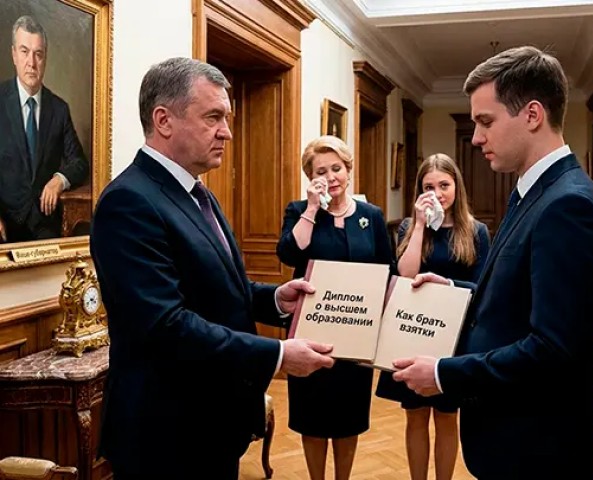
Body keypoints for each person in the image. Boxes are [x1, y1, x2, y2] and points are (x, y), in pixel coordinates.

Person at [90, 57, 335, 480]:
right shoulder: (128, 201)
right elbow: (166, 325)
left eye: (226, 118)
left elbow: (217, 287)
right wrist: (277, 355)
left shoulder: (197, 193)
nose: (227, 131)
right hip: (166, 436)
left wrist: (275, 300)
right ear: (164, 120)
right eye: (213, 117)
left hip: (212, 425)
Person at [392, 46, 593, 480]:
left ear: (532, 115)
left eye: (486, 121)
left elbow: (552, 351)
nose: (476, 138)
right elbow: (519, 297)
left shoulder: (569, 205)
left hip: (537, 452)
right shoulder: (531, 193)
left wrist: (443, 374)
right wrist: (455, 291)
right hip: (511, 442)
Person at [276, 135, 394, 480]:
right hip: (311, 330)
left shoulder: (371, 216)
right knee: (311, 415)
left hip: (356, 332)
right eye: (321, 171)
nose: (331, 177)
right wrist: (313, 209)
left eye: (336, 168)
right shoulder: (298, 211)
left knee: (348, 417)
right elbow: (289, 254)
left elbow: (387, 268)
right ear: (310, 177)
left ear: (349, 169)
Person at [376, 153, 490, 480]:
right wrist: (420, 226)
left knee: (446, 416)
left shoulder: (476, 231)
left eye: (444, 185)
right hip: (413, 332)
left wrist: (449, 285)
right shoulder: (409, 227)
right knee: (414, 416)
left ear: (457, 187)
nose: (437, 193)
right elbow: (405, 274)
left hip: (454, 335)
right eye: (429, 187)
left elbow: (483, 288)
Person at [0, 15, 89, 243]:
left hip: (45, 225)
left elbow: (79, 163)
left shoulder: (59, 109)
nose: (32, 62)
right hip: (4, 224)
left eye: (38, 54)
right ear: (13, 55)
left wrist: (59, 179)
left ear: (45, 58)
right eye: (24, 52)